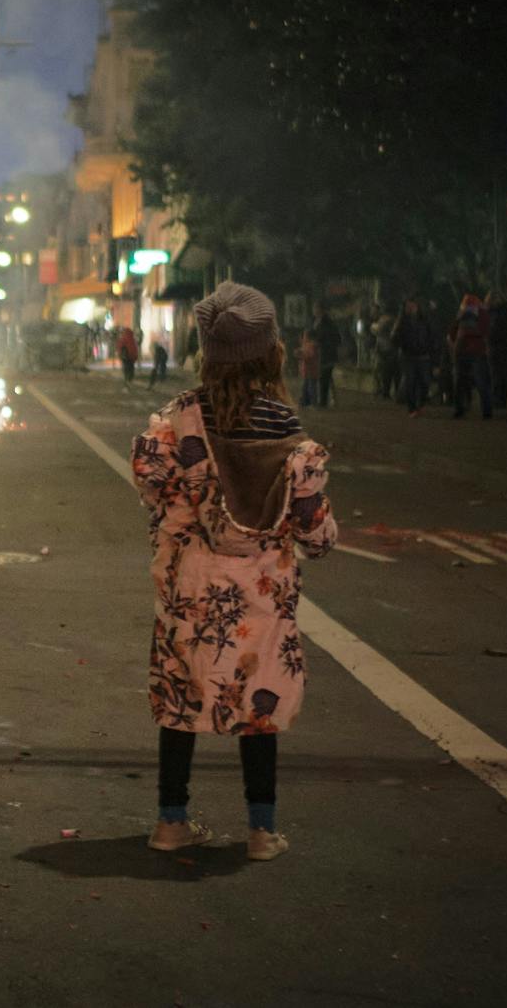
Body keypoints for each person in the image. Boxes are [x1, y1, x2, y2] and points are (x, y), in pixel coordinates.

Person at [131, 282, 337, 862]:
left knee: (180, 698)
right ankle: (261, 831)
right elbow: (316, 533)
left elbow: (153, 485)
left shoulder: (177, 421)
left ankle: (171, 821)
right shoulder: (291, 439)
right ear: (271, 353)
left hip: (190, 589)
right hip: (262, 600)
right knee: (258, 708)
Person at [448, 293, 493, 420]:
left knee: (459, 382)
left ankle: (458, 410)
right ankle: (487, 411)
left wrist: (454, 344)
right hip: (478, 350)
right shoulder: (483, 314)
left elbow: (452, 332)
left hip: (461, 350)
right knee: (482, 382)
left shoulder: (461, 314)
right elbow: (486, 330)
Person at [393, 298, 435, 416]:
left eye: (412, 306)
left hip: (423, 356)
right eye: (408, 307)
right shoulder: (402, 321)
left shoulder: (425, 320)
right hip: (408, 356)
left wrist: (430, 349)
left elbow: (432, 335)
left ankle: (420, 404)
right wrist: (402, 345)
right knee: (410, 382)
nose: (410, 309)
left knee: (425, 382)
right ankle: (412, 408)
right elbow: (394, 338)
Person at [486, 290, 507, 410]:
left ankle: (499, 400)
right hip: (498, 345)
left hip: (499, 345)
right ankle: (499, 399)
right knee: (498, 374)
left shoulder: (500, 313)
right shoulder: (497, 313)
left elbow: (494, 330)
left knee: (498, 374)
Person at [311, 303, 340, 406]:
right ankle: (329, 399)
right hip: (322, 352)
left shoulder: (327, 322)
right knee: (325, 377)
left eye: (315, 308)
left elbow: (330, 337)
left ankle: (323, 401)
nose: (314, 311)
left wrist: (319, 341)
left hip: (326, 352)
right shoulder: (317, 321)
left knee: (324, 376)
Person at [295, 328, 320, 409]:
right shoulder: (306, 344)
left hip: (311, 369)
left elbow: (310, 356)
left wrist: (301, 354)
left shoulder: (312, 345)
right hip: (306, 370)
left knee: (311, 387)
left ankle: (313, 403)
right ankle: (305, 402)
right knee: (306, 387)